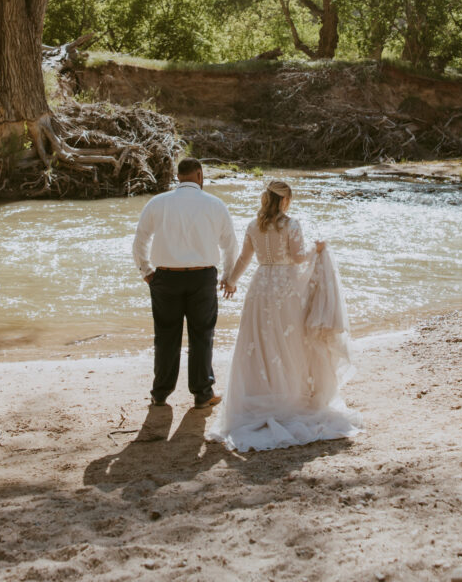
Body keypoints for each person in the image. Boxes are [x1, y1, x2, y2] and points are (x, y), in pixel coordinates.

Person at [208, 179, 362, 451]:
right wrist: (318, 248)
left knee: (259, 345)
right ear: (284, 200)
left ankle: (261, 395)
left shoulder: (254, 225)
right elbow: (299, 258)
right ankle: (290, 397)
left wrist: (231, 280)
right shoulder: (291, 225)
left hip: (260, 287)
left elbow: (244, 259)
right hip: (285, 290)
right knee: (289, 344)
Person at [132, 156, 238, 409]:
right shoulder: (215, 204)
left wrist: (146, 271)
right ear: (200, 176)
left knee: (166, 334)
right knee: (202, 335)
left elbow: (140, 241)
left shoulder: (158, 203)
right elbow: (230, 245)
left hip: (165, 276)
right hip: (202, 277)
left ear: (178, 176)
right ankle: (202, 392)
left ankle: (160, 392)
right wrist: (228, 276)